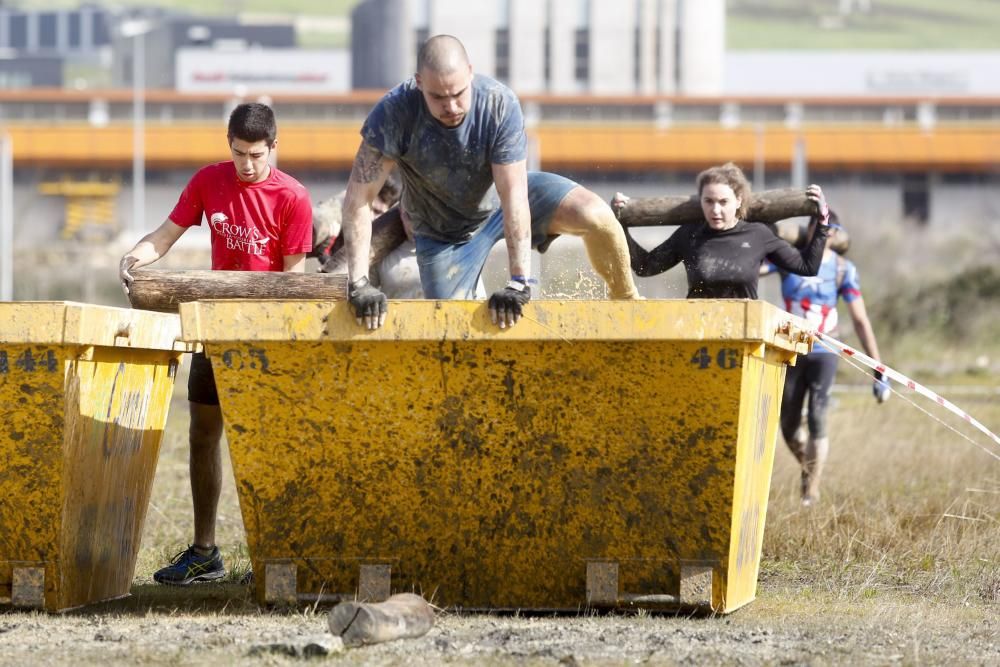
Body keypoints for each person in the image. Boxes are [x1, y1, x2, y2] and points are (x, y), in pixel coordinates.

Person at [118, 102, 312, 585]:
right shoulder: (209, 181)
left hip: (267, 336)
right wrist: (135, 257)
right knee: (203, 434)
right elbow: (164, 237)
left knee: (269, 443)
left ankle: (277, 553)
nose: (247, 163)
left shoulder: (294, 197)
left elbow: (295, 280)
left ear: (274, 147)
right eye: (238, 152)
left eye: (256, 154)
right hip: (213, 329)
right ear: (229, 145)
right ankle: (205, 552)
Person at [340, 34, 639, 330]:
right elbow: (358, 199)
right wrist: (358, 282)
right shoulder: (393, 113)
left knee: (596, 216)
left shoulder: (497, 103)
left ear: (470, 73)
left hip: (502, 199)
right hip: (443, 233)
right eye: (438, 98)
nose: (452, 106)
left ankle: (627, 304)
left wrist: (519, 281)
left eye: (458, 94)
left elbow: (513, 195)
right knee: (453, 330)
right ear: (419, 83)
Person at [761, 210, 889, 506]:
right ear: (808, 230)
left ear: (835, 234)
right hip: (790, 349)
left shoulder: (844, 269)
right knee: (789, 424)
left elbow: (860, 320)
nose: (822, 233)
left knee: (818, 416)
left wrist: (877, 367)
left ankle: (811, 489)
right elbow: (751, 268)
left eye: (828, 229)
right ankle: (810, 469)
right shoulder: (789, 260)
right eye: (816, 227)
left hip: (825, 351)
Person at [613, 163, 830, 299]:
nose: (715, 210)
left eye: (723, 202)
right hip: (697, 332)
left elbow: (807, 267)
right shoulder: (690, 234)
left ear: (738, 201)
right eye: (709, 201)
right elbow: (645, 267)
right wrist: (619, 223)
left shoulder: (758, 234)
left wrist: (822, 221)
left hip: (745, 334)